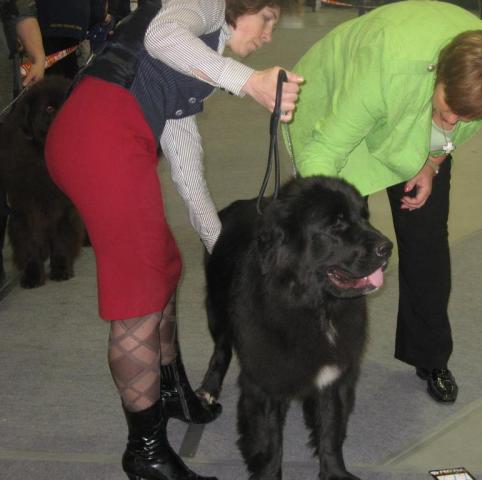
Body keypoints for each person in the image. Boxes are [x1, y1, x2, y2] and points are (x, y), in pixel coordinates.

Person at [44, 0, 302, 478]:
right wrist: (248, 81)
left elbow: (185, 159)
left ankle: (171, 392)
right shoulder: (204, 5)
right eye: (267, 19)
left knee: (164, 264)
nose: (268, 36)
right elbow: (162, 37)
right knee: (138, 295)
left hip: (106, 135)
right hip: (100, 136)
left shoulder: (194, 63)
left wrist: (222, 248)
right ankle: (145, 451)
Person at [286, 0, 482, 404]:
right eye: (447, 111)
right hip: (336, 106)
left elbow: (454, 128)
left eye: (463, 118)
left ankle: (431, 357)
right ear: (437, 76)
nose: (452, 124)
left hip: (411, 111)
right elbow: (325, 150)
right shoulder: (386, 70)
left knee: (428, 243)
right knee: (335, 248)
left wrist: (431, 162)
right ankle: (314, 355)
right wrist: (325, 213)